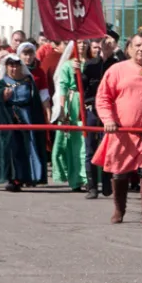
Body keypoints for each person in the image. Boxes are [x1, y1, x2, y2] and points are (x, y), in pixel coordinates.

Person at [93, 33, 142, 227]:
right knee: (119, 173)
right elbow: (103, 98)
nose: (141, 49)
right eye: (137, 45)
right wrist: (108, 119)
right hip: (122, 132)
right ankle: (119, 210)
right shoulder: (116, 70)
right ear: (129, 49)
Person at [0, 54, 48, 191]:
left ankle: (28, 176)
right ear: (6, 67)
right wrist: (2, 97)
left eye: (16, 65)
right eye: (11, 65)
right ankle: (14, 179)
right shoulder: (3, 83)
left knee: (27, 148)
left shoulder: (28, 82)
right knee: (12, 148)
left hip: (26, 120)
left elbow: (35, 103)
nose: (13, 68)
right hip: (8, 120)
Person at [51, 43, 87, 192]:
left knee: (86, 144)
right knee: (74, 144)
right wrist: (63, 109)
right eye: (79, 43)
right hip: (74, 104)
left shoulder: (92, 63)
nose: (82, 46)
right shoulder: (67, 65)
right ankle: (76, 179)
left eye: (85, 43)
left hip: (88, 101)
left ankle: (87, 177)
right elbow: (63, 87)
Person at [81, 39, 113, 199]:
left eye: (110, 42)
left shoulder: (117, 63)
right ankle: (92, 186)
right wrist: (77, 74)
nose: (106, 45)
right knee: (90, 149)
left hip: (110, 111)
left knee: (108, 147)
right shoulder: (90, 64)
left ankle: (107, 181)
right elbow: (82, 86)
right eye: (104, 42)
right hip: (92, 109)